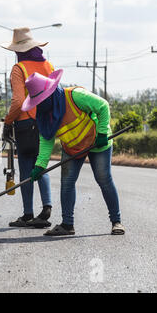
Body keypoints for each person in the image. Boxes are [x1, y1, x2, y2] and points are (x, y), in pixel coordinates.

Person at [22, 70, 125, 236]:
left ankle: (116, 221)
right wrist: (40, 166)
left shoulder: (75, 96)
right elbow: (47, 141)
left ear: (50, 93)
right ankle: (67, 225)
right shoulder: (44, 115)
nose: (40, 104)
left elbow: (103, 106)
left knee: (103, 178)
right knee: (67, 182)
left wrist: (102, 133)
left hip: (97, 141)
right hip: (72, 147)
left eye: (42, 99)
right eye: (37, 101)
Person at [1, 27, 54, 228]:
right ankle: (47, 206)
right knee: (42, 165)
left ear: (18, 51)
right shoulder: (48, 66)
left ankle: (28, 214)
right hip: (46, 122)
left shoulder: (19, 69)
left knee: (26, 167)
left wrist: (7, 122)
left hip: (26, 123)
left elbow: (18, 101)